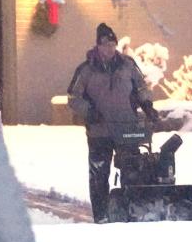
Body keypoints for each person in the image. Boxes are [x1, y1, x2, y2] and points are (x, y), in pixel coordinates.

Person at [67, 22, 161, 223]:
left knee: (133, 171)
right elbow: (74, 98)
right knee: (99, 175)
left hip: (127, 130)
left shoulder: (128, 65)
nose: (109, 48)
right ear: (98, 46)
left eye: (112, 44)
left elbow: (141, 88)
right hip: (99, 132)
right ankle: (101, 216)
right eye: (105, 44)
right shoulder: (86, 70)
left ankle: (131, 212)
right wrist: (89, 112)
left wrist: (148, 106)